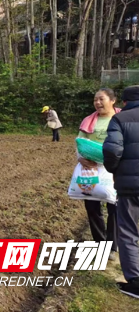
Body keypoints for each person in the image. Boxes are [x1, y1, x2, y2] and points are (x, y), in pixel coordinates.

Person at [103, 85, 139, 299]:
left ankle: (135, 282)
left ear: (123, 102)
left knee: (128, 231)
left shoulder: (120, 119)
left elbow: (112, 149)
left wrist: (113, 168)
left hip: (130, 186)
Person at [77, 88, 121, 261]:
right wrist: (81, 158)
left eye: (101, 99)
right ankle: (100, 244)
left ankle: (112, 245)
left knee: (115, 207)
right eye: (95, 100)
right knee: (92, 207)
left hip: (116, 169)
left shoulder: (122, 119)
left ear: (112, 100)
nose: (97, 103)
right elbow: (79, 142)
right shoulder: (89, 120)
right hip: (93, 168)